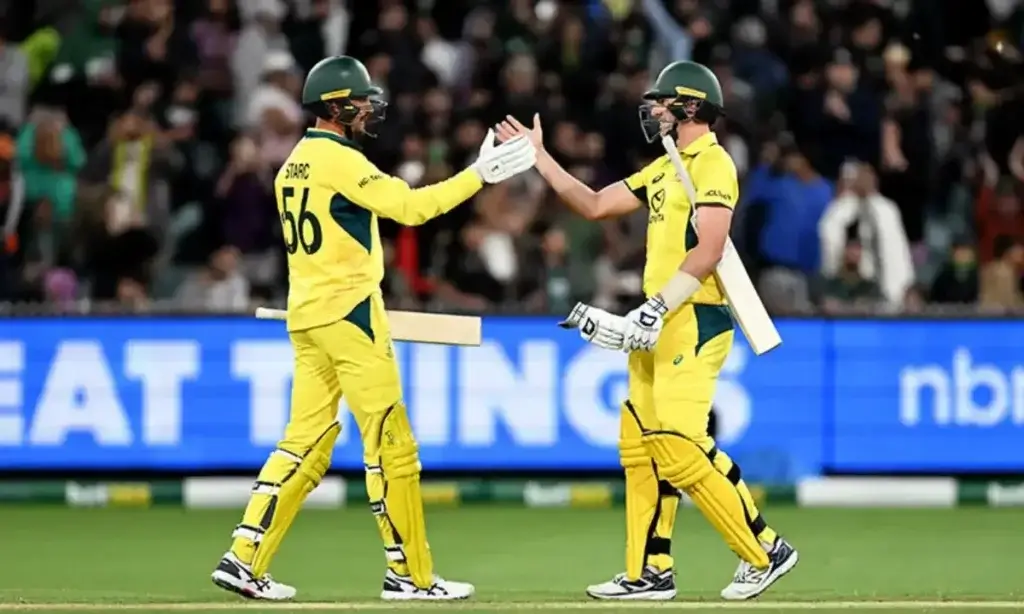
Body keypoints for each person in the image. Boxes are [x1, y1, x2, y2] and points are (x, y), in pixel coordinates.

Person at [209, 55, 536, 602]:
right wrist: (478, 175)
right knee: (391, 445)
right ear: (337, 107)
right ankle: (410, 574)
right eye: (360, 102)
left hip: (308, 316)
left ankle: (244, 557)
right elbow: (411, 208)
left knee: (304, 445)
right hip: (350, 318)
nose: (368, 110)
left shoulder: (293, 162)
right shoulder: (338, 160)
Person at [496, 60, 797, 602]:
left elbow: (708, 251)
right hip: (657, 321)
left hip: (693, 317)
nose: (652, 110)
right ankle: (648, 570)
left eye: (661, 102)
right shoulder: (664, 167)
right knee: (641, 449)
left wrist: (656, 307)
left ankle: (765, 549)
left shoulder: (714, 164)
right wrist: (540, 159)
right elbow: (591, 205)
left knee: (680, 444)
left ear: (688, 106)